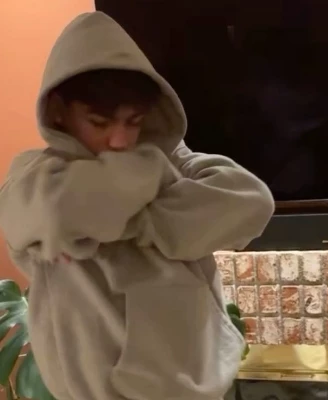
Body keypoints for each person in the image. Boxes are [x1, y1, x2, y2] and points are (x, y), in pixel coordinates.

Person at [0, 12, 274, 400]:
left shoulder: (171, 160)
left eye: (134, 121)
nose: (120, 140)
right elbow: (59, 209)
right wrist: (159, 187)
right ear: (59, 109)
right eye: (99, 122)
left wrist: (133, 221)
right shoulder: (33, 179)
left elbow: (252, 203)